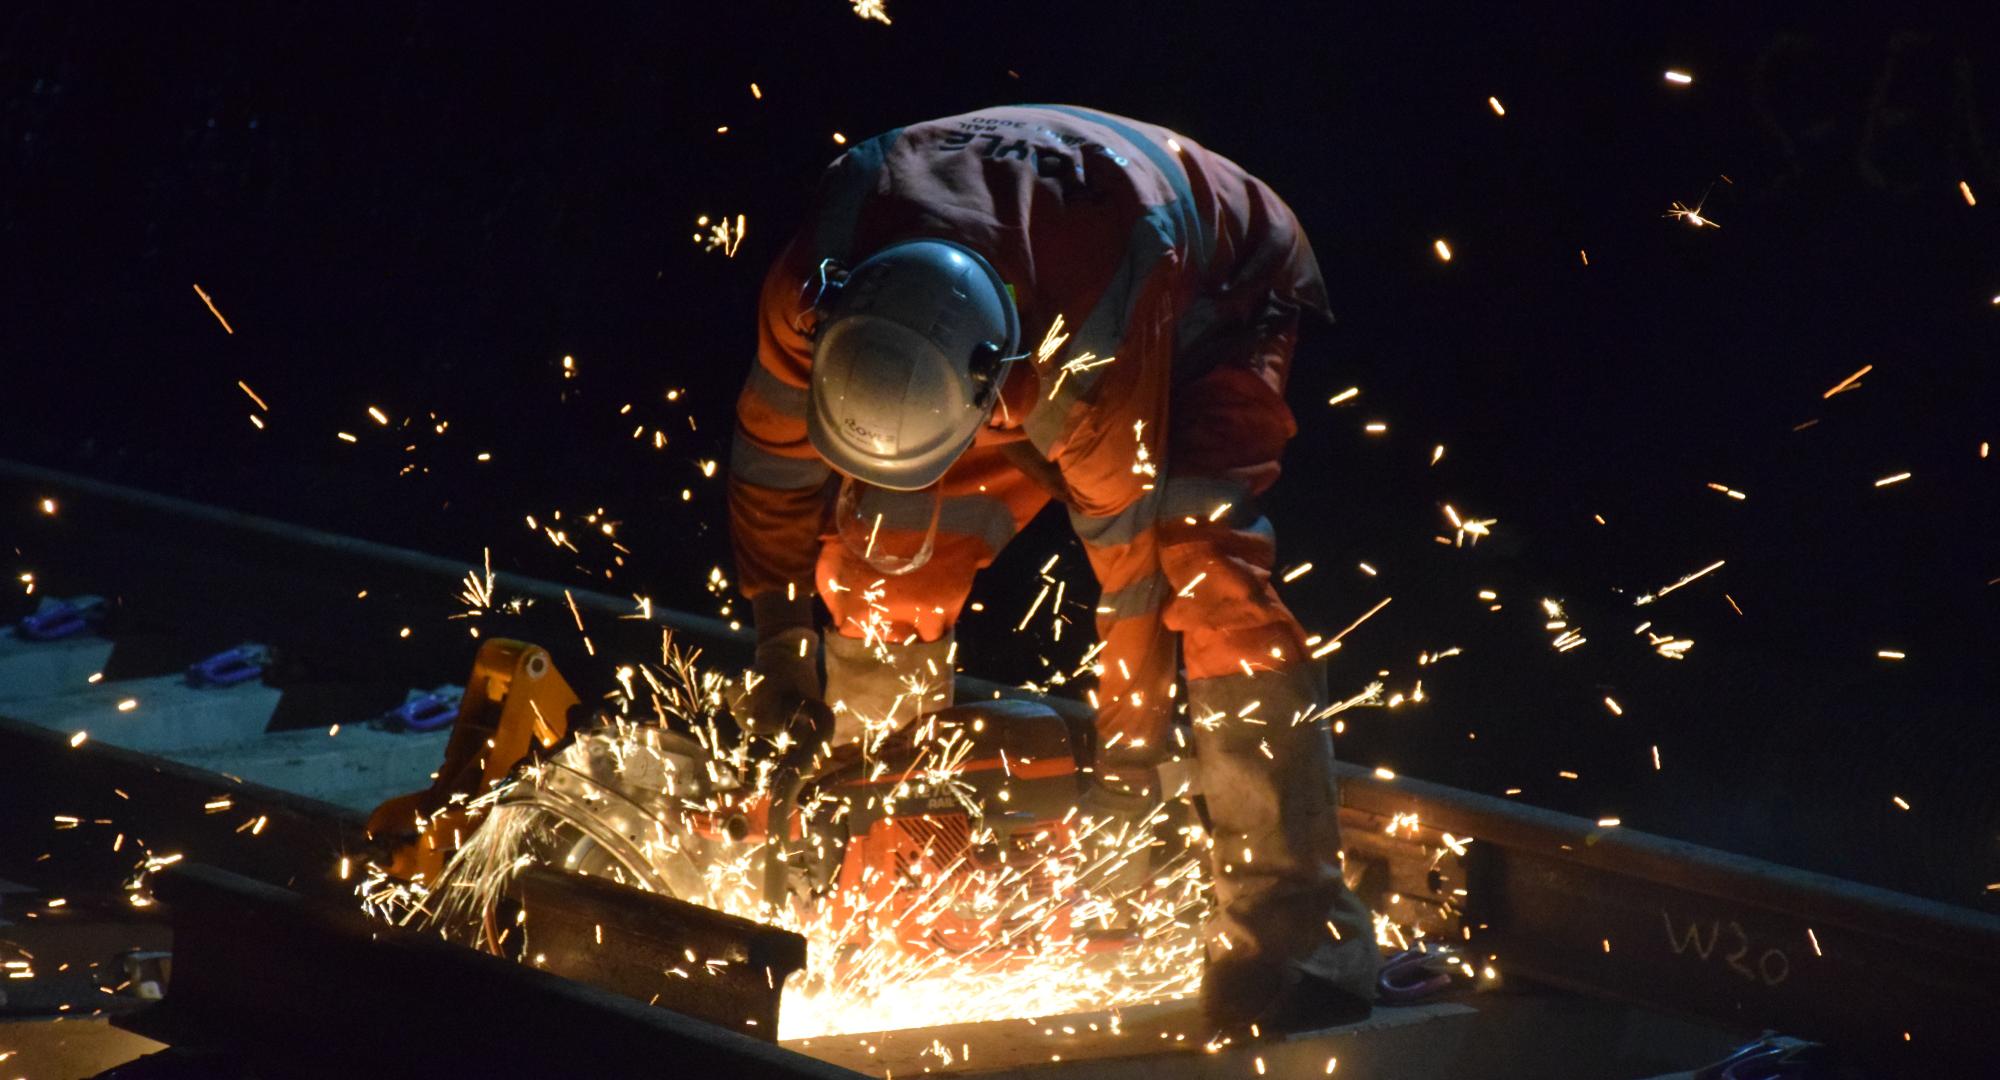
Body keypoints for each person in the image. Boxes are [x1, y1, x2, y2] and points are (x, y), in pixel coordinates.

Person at [726, 105, 1376, 1035]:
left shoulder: (1093, 365)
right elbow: (769, 462)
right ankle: (889, 877)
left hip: (1212, 295)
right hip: (1006, 288)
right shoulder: (814, 281)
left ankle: (1299, 937)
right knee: (884, 560)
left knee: (1203, 562)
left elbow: (1135, 579)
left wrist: (1130, 772)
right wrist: (782, 634)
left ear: (1000, 383)